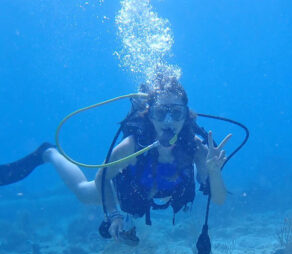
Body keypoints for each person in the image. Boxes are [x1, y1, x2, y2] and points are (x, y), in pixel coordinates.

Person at [0, 75, 231, 243]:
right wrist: (113, 214)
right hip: (129, 187)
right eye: (161, 112)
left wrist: (214, 173)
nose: (169, 120)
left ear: (186, 116)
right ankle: (48, 153)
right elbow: (102, 178)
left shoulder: (198, 150)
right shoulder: (131, 147)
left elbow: (218, 199)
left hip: (157, 188)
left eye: (177, 113)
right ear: (150, 115)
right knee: (83, 192)